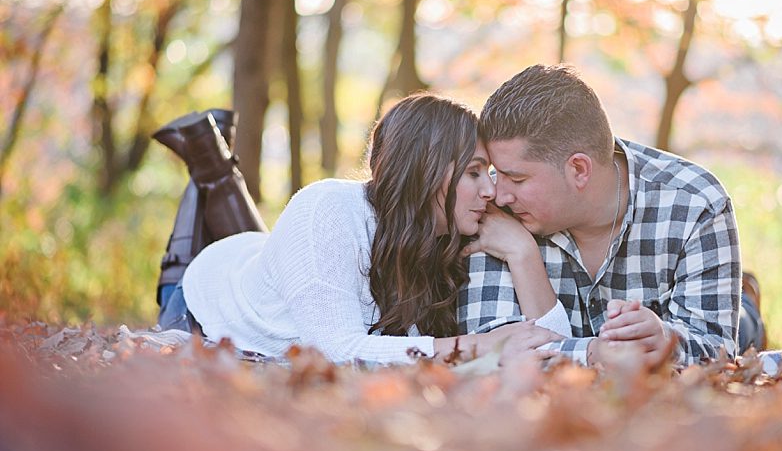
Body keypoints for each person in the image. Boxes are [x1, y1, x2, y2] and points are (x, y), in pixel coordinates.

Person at [157, 94, 565, 364]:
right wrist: (474, 345)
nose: (492, 190)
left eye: (489, 173)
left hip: (275, 273)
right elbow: (336, 350)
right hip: (204, 305)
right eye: (475, 172)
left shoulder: (458, 229)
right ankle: (208, 156)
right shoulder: (326, 208)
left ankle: (213, 158)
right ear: (425, 171)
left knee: (275, 267)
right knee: (212, 255)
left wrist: (523, 253)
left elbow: (552, 345)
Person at [457, 64, 743, 368]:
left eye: (516, 179)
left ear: (578, 169)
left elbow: (717, 352)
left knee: (747, 325)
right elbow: (494, 348)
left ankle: (747, 306)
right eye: (496, 173)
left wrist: (667, 342)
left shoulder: (695, 203)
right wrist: (605, 354)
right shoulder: (493, 208)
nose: (498, 194)